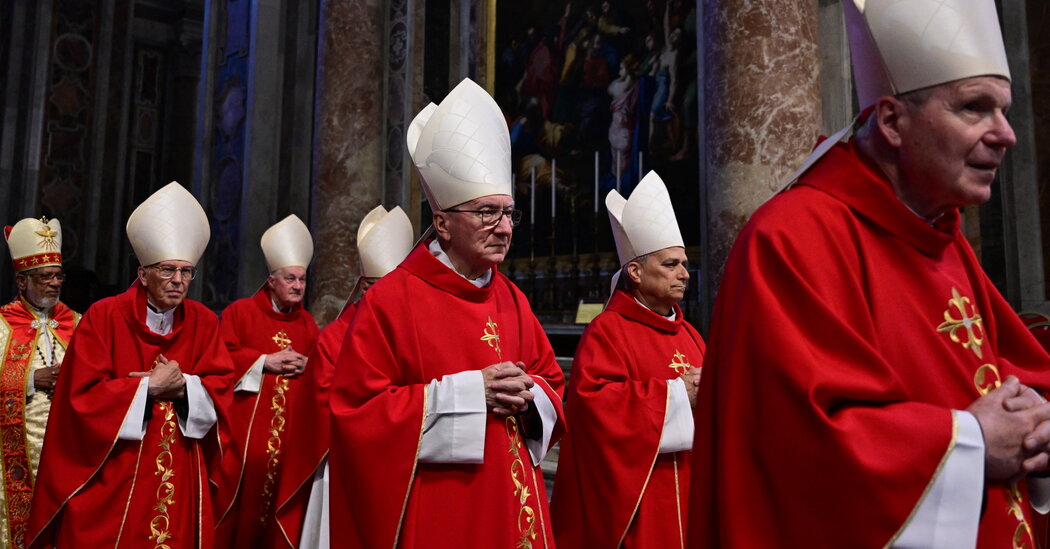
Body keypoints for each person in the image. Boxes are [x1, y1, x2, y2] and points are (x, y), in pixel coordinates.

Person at [689, 1, 1050, 547]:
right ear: (891, 121)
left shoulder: (940, 234)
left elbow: (1014, 374)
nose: (1006, 134)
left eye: (1003, 111)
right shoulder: (790, 239)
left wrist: (1037, 429)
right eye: (974, 108)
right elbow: (798, 455)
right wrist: (973, 441)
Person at [328, 78, 565, 548]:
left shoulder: (512, 298)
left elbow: (553, 384)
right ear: (442, 223)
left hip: (516, 505)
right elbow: (357, 413)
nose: (504, 228)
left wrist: (530, 394)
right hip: (444, 508)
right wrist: (472, 392)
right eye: (486, 213)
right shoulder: (391, 300)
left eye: (509, 213)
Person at [27, 182, 234, 548]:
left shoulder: (204, 321)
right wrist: (146, 388)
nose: (178, 281)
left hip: (180, 467)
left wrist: (184, 386)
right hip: (116, 470)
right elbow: (79, 399)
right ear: (142, 274)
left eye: (187, 272)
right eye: (167, 270)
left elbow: (222, 390)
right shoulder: (104, 316)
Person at [552, 171, 704, 548]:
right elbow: (594, 410)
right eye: (670, 264)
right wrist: (676, 395)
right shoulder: (608, 331)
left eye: (684, 264)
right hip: (640, 504)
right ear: (635, 271)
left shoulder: (691, 335)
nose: (684, 274)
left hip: (693, 491)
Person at [274, 205, 414, 549]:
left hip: (402, 463)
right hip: (343, 469)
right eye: (383, 287)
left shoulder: (415, 334)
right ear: (365, 287)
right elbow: (324, 412)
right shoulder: (335, 338)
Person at [216, 214, 320, 548]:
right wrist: (263, 361)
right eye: (290, 279)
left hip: (291, 442)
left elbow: (323, 372)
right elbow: (219, 361)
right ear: (271, 280)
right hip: (245, 441)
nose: (298, 286)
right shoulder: (240, 313)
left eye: (302, 279)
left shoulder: (308, 325)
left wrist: (308, 366)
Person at [0, 217, 79, 548]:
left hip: (69, 449)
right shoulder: (2, 325)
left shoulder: (79, 324)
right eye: (45, 276)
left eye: (58, 276)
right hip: (16, 456)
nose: (54, 283)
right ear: (22, 281)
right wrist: (31, 380)